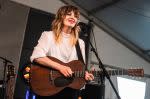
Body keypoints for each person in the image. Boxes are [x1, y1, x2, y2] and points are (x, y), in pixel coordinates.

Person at [30, 5, 94, 99]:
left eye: (75, 16)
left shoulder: (80, 43)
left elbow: (80, 68)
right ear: (61, 17)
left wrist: (86, 76)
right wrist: (60, 67)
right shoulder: (48, 36)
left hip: (70, 90)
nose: (73, 17)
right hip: (49, 87)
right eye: (69, 14)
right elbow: (37, 56)